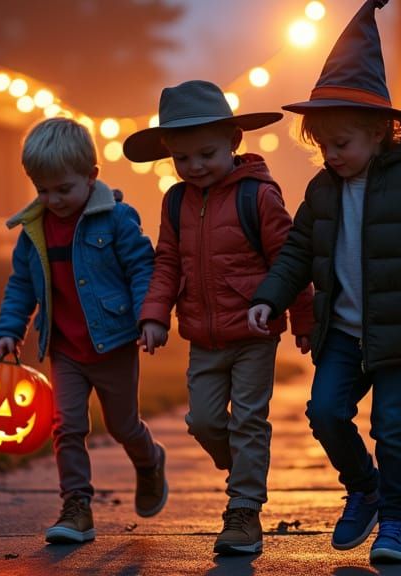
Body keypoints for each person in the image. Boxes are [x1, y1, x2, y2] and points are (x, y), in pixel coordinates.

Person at [247, 1, 401, 564]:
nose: (331, 156)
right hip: (342, 334)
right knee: (326, 413)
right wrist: (269, 297)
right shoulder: (322, 191)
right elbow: (296, 254)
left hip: (399, 334)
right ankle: (364, 487)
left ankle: (397, 523)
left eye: (343, 144)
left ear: (382, 132)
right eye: (323, 146)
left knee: (392, 428)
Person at [122, 80, 314, 555]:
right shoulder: (176, 201)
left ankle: (244, 510)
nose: (195, 167)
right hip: (203, 338)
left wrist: (304, 318)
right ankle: (244, 468)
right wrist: (154, 315)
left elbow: (290, 260)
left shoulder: (259, 196)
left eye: (206, 153)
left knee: (249, 420)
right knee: (204, 421)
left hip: (253, 332)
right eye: (182, 159)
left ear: (233, 142)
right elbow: (167, 261)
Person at [0, 117, 166, 545]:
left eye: (63, 189)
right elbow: (21, 284)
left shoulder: (116, 219)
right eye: (42, 190)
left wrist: (150, 316)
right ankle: (77, 507)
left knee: (123, 426)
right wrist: (10, 328)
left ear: (91, 177)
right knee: (66, 426)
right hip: (66, 349)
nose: (52, 199)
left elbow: (142, 266)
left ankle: (149, 462)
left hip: (113, 344)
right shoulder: (33, 230)